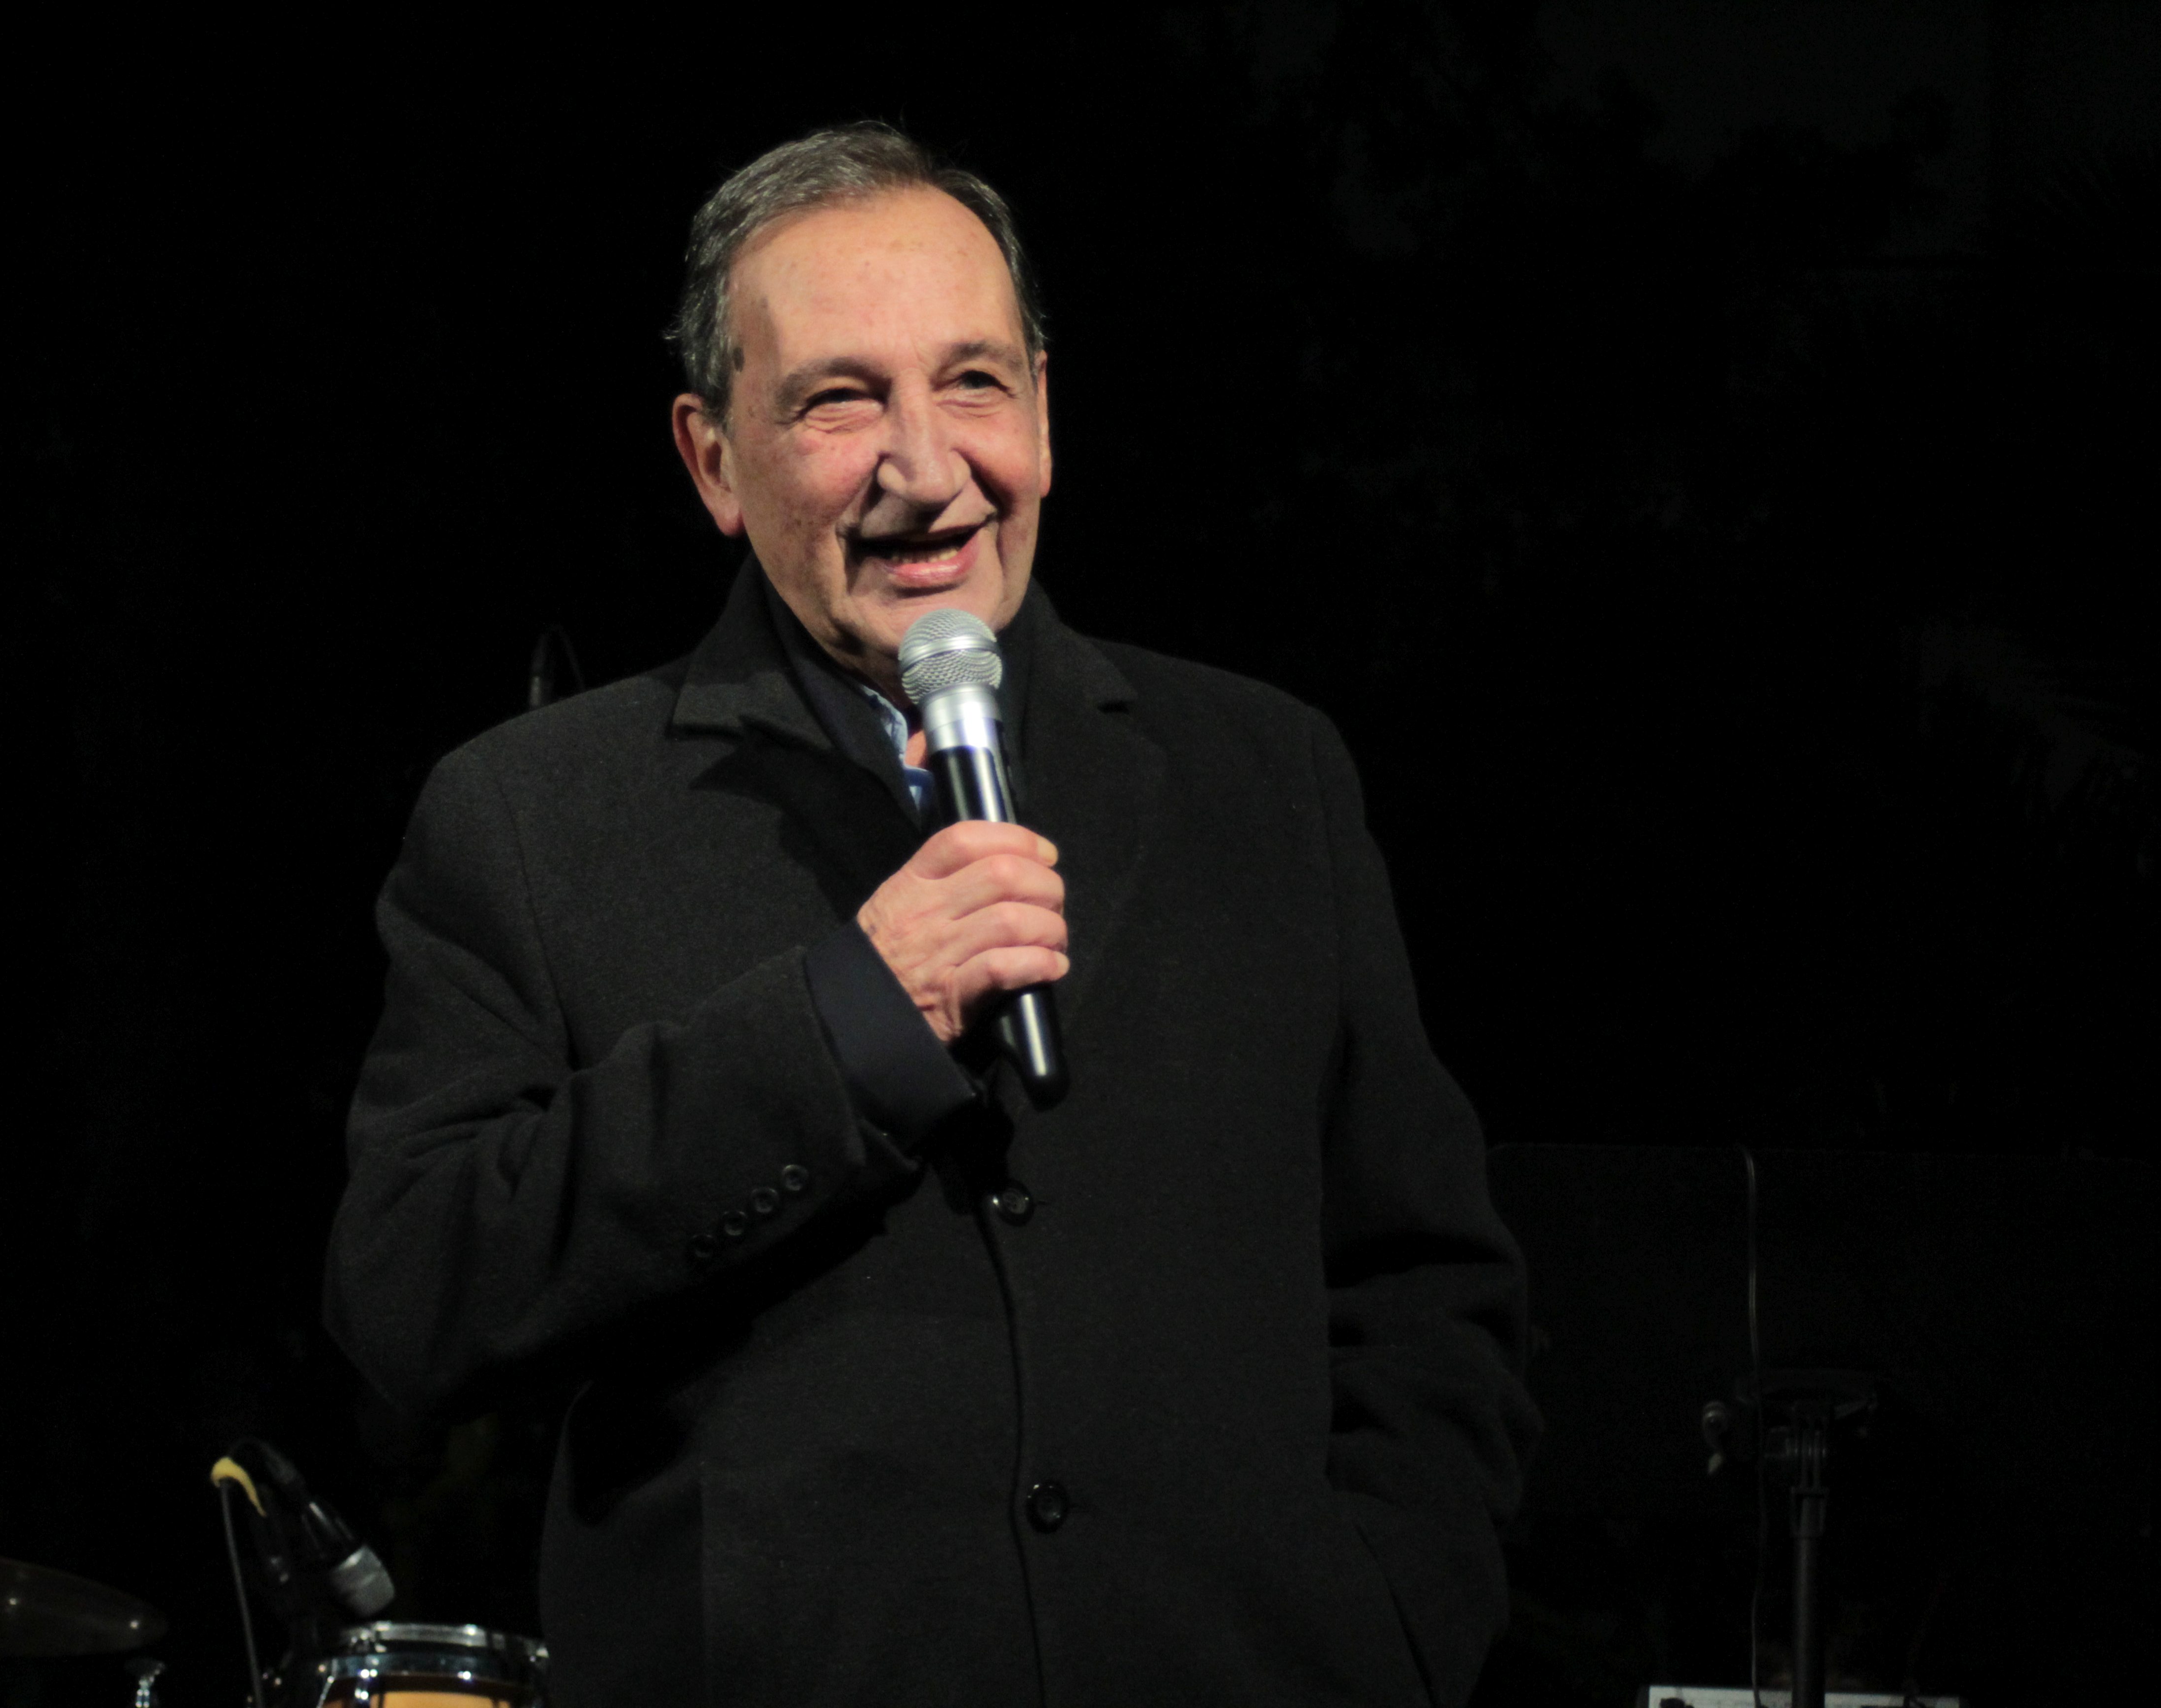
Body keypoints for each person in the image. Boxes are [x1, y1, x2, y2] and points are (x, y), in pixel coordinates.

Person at [325, 122, 1538, 1708]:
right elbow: (413, 1296)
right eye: (842, 399)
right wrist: (844, 1027)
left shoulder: (1264, 775)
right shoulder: (537, 815)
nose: (925, 465)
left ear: (1044, 407)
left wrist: (1390, 1631)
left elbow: (1429, 1293)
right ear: (713, 459)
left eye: (974, 382)